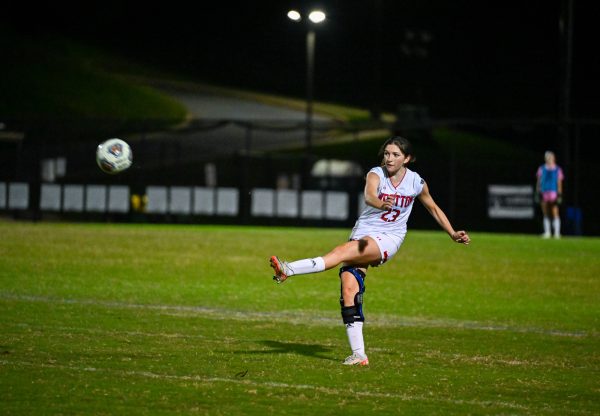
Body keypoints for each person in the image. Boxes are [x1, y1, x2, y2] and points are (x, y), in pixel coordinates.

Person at [269, 136, 470, 366]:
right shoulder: (376, 173)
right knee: (349, 289)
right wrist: (380, 203)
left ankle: (288, 269)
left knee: (341, 252)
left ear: (407, 158)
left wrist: (453, 233)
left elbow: (433, 208)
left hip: (389, 238)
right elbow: (369, 195)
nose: (390, 158)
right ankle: (359, 354)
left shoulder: (416, 182)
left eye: (395, 154)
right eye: (387, 153)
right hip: (364, 231)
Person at [535, 151, 564, 239]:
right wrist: (537, 191)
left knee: (555, 212)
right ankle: (547, 232)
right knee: (546, 212)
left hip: (553, 192)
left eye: (550, 157)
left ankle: (557, 233)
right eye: (547, 158)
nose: (549, 159)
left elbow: (559, 182)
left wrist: (559, 193)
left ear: (554, 158)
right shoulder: (541, 168)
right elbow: (539, 181)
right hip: (544, 192)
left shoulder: (557, 169)